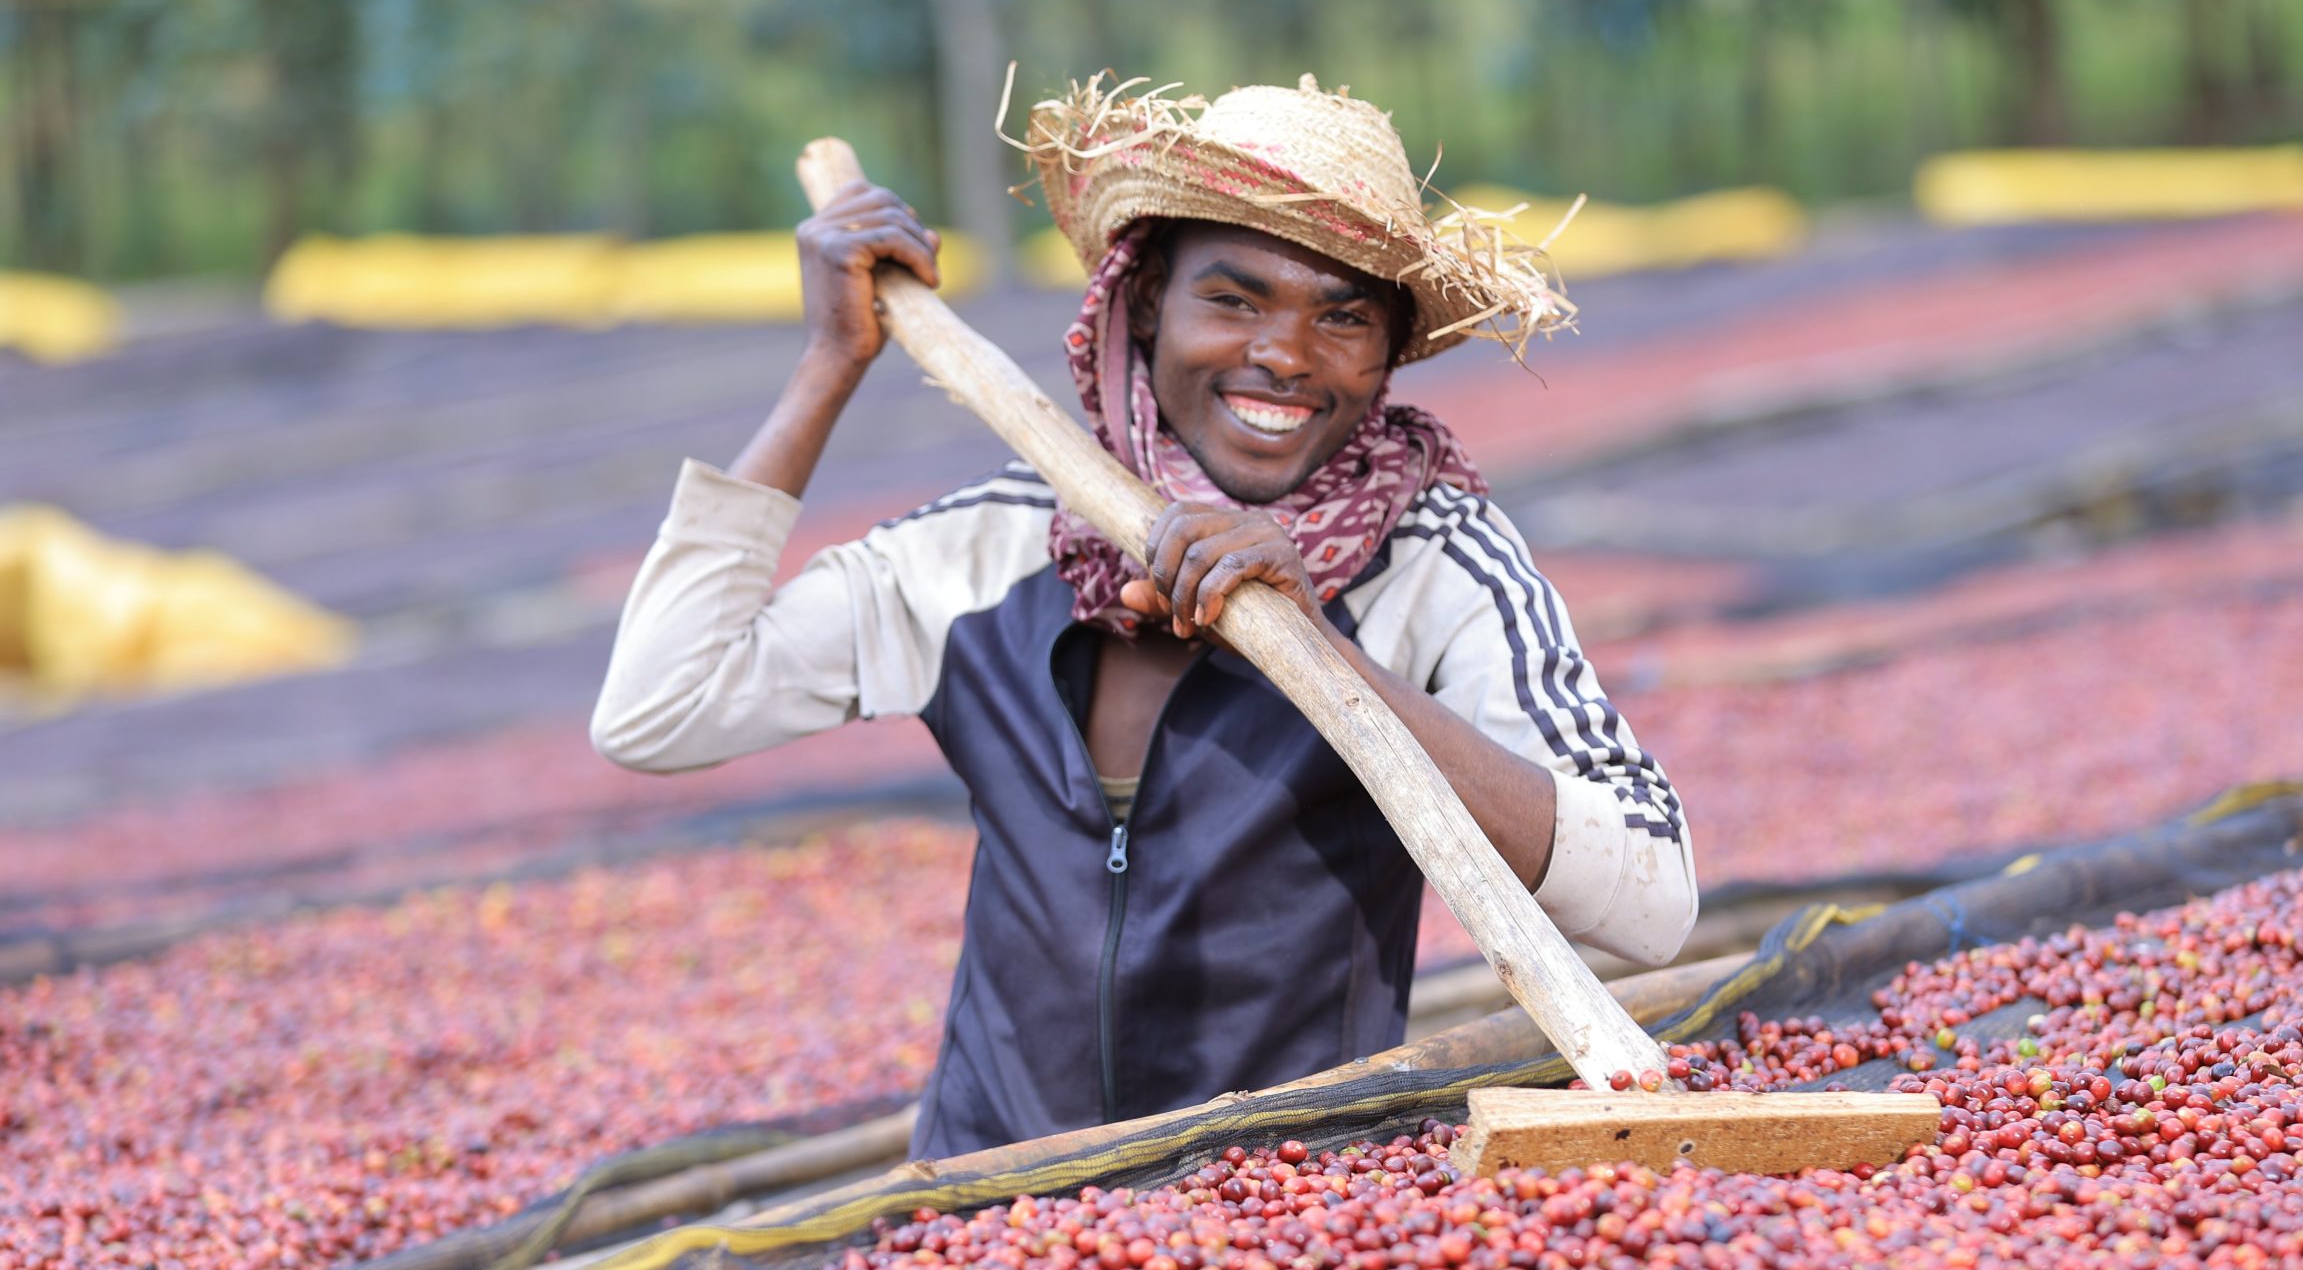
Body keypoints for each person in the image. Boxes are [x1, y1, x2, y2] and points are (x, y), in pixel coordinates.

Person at [593, 74, 1697, 1156]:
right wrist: (831, 362)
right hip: (983, 1198)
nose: (1282, 354)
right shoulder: (990, 547)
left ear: (1388, 358)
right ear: (1144, 301)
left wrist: (1319, 654)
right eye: (1233, 297)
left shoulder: (1434, 564)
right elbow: (658, 711)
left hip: (1289, 1212)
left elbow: (1650, 906)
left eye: (1343, 317)